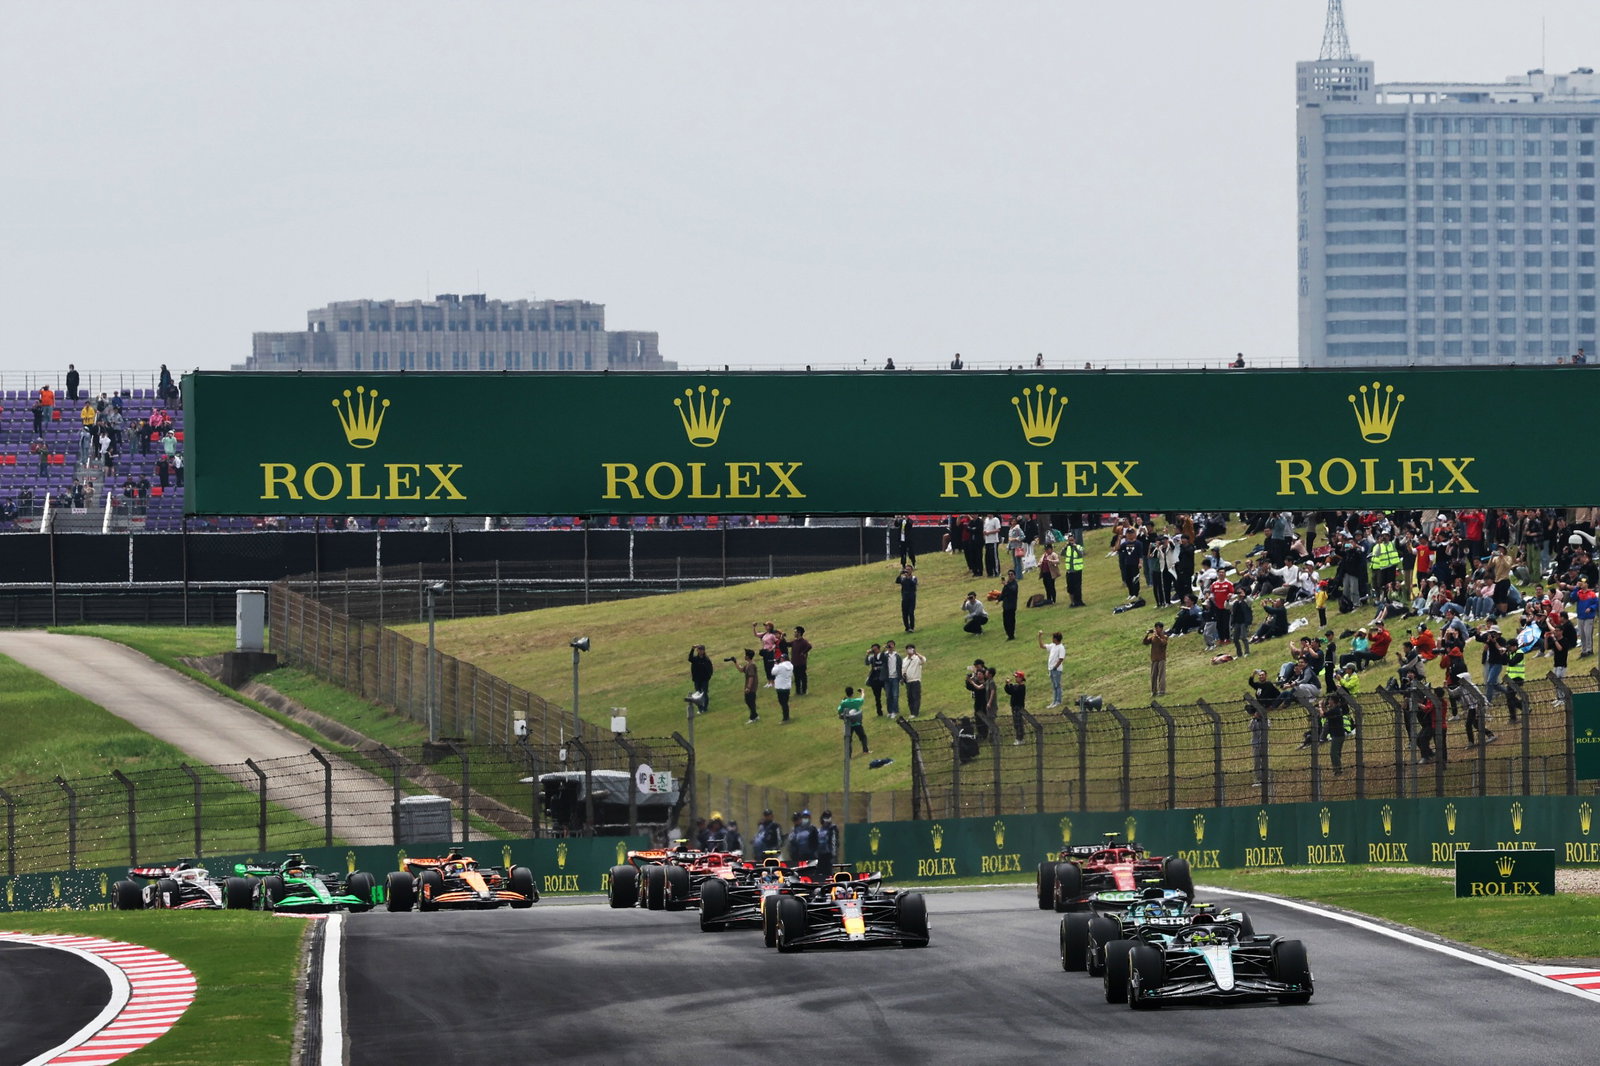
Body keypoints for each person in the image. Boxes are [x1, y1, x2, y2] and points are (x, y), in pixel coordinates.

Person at [1038, 630, 1066, 708]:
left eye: (1053, 638)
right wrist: (1039, 637)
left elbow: (1061, 658)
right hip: (1051, 669)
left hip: (1056, 670)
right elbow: (1042, 646)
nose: (1052, 639)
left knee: (1057, 685)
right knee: (1054, 686)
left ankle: (1058, 701)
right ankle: (1054, 701)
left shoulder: (1061, 647)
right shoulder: (1052, 646)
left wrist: (1055, 667)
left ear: (1056, 639)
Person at [837, 687, 869, 754]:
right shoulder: (856, 701)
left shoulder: (844, 703)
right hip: (857, 723)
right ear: (853, 693)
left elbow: (839, 710)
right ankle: (865, 751)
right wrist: (862, 692)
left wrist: (842, 701)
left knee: (848, 740)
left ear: (846, 693)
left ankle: (849, 755)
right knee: (863, 736)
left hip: (848, 724)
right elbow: (862, 698)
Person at [734, 648, 760, 722]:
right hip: (749, 686)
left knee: (750, 701)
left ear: (748, 656)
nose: (744, 656)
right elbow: (741, 670)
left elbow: (751, 677)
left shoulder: (751, 665)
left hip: (751, 687)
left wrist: (748, 687)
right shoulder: (748, 664)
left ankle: (753, 717)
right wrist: (735, 662)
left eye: (745, 655)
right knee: (748, 701)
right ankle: (755, 716)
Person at [1061, 533, 1086, 608]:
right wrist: (1065, 547)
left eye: (1072, 540)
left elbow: (1081, 554)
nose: (1071, 542)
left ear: (1074, 540)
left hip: (1077, 570)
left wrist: (1075, 547)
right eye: (1069, 540)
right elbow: (1062, 554)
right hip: (1069, 571)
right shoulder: (1067, 548)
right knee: (1070, 588)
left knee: (1077, 587)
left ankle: (1079, 601)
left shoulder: (1079, 547)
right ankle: (1072, 602)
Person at [1143, 622, 1169, 698]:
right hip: (1154, 659)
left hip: (1161, 659)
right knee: (1153, 676)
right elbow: (1145, 642)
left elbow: (1163, 643)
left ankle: (1161, 691)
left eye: (1158, 628)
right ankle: (1154, 691)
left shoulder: (1164, 636)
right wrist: (1147, 634)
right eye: (1156, 628)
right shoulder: (1153, 637)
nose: (1157, 629)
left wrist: (1157, 635)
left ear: (1161, 628)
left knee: (1161, 675)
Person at [1003, 670, 1028, 745]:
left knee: (1018, 723)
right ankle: (1018, 737)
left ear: (1021, 678)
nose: (1015, 678)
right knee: (1016, 723)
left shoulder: (1021, 687)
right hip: (1014, 706)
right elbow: (1009, 691)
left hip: (1018, 707)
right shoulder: (1016, 686)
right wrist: (1007, 685)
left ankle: (1020, 738)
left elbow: (1014, 691)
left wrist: (1010, 684)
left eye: (1017, 677)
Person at [687, 645, 714, 713]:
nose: (700, 651)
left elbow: (710, 669)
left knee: (704, 693)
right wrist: (692, 649)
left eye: (702, 650)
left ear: (704, 651)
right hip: (697, 679)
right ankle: (700, 709)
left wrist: (708, 677)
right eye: (699, 650)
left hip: (705, 680)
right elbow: (690, 658)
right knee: (698, 694)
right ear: (697, 651)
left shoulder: (706, 660)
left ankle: (705, 708)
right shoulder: (695, 659)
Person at [814, 811, 839, 882]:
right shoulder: (820, 830)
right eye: (826, 817)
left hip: (828, 855)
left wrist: (834, 855)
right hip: (820, 855)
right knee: (818, 873)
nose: (827, 819)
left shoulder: (832, 828)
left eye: (828, 817)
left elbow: (834, 842)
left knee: (828, 874)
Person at [1248, 702, 1269, 787]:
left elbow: (1268, 727)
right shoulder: (1253, 721)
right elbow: (1250, 728)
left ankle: (1266, 777)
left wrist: (1262, 720)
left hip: (1264, 743)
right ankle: (1259, 778)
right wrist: (1254, 719)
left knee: (1264, 760)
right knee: (1257, 761)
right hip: (1255, 744)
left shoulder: (1266, 720)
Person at [903, 644, 926, 717]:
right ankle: (912, 712)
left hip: (915, 680)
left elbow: (923, 660)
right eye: (908, 649)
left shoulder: (917, 658)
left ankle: (915, 713)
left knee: (916, 697)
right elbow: (903, 669)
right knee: (910, 698)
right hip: (908, 681)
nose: (909, 650)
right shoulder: (905, 660)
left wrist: (917, 654)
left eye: (911, 648)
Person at [882, 639, 903, 718]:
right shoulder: (885, 655)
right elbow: (880, 658)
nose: (890, 646)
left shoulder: (897, 656)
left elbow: (900, 666)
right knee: (888, 695)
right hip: (887, 678)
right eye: (889, 645)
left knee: (895, 695)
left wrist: (901, 677)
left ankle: (895, 711)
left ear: (894, 646)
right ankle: (890, 711)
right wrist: (884, 649)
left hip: (895, 678)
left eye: (892, 645)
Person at [863, 643, 886, 715]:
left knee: (888, 695)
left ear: (879, 649)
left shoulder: (883, 656)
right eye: (873, 650)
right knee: (877, 697)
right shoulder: (872, 657)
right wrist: (867, 654)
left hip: (883, 678)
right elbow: (866, 663)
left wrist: (878, 668)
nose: (874, 651)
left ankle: (891, 709)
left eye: (875, 649)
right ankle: (879, 712)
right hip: (875, 680)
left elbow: (885, 666)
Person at [771, 652, 795, 722]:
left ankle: (785, 718)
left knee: (782, 702)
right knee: (785, 702)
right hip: (787, 686)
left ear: (783, 659)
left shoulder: (780, 666)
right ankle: (786, 716)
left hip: (780, 687)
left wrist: (775, 664)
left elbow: (773, 672)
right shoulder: (791, 665)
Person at [788, 625, 811, 695]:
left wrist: (803, 653)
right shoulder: (794, 642)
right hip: (794, 663)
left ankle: (804, 690)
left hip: (801, 663)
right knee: (796, 678)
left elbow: (809, 646)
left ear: (799, 633)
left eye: (795, 632)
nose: (794, 633)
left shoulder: (803, 641)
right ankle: (798, 691)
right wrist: (782, 639)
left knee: (803, 677)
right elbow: (787, 644)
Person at [896, 564, 918, 632]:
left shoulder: (914, 578)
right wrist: (900, 574)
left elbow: (913, 584)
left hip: (912, 598)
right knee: (904, 614)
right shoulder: (903, 578)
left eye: (908, 569)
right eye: (906, 569)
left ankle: (912, 627)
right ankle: (907, 627)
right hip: (904, 598)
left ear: (911, 570)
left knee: (911, 612)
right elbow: (897, 581)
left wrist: (908, 577)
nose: (907, 571)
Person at [1000, 569, 1019, 639]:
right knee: (1005, 621)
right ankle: (1008, 634)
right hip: (1006, 605)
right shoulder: (1007, 584)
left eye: (1011, 574)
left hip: (1012, 605)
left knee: (1011, 620)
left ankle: (1011, 635)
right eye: (1009, 574)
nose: (1010, 576)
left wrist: (1006, 585)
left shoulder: (1015, 584)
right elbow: (1003, 593)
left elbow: (1012, 590)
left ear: (1014, 576)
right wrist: (999, 599)